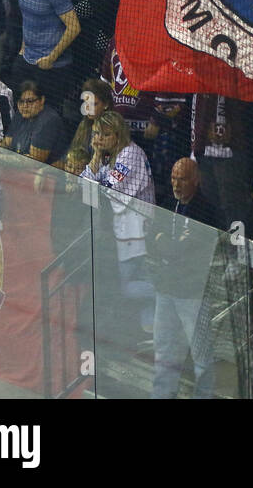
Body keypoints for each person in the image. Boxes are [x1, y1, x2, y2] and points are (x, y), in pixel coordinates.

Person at [151, 157, 223, 399]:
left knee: (201, 356)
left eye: (182, 179)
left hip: (193, 292)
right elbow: (152, 236)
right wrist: (167, 244)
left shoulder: (205, 210)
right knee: (164, 350)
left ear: (196, 180)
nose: (176, 184)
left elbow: (182, 251)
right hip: (166, 287)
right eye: (173, 178)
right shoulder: (168, 202)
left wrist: (166, 244)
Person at [83, 110, 155, 337]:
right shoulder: (106, 156)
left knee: (126, 287)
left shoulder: (130, 155)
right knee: (130, 285)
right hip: (123, 232)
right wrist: (95, 155)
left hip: (139, 232)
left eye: (105, 134)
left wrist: (95, 175)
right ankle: (151, 330)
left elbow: (106, 190)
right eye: (96, 134)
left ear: (117, 134)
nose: (99, 139)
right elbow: (86, 191)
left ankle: (168, 292)